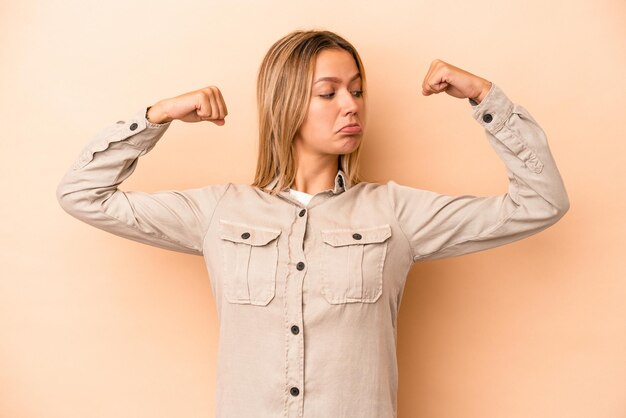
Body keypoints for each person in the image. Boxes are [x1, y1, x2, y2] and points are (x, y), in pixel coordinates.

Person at [56, 29, 570, 418]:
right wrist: (158, 115)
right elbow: (83, 194)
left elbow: (539, 203)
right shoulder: (218, 213)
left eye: (358, 90)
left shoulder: (396, 214)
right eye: (329, 93)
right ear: (286, 104)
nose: (352, 106)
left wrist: (486, 98)